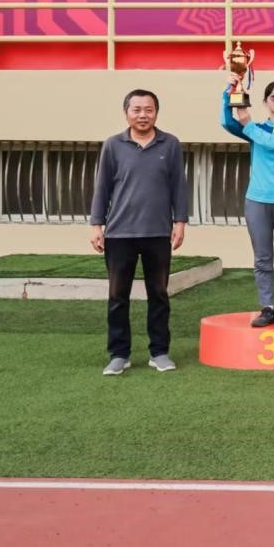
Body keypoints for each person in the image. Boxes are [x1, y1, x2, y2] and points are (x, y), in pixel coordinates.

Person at [89, 89, 189, 376]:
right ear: (126, 113)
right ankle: (119, 354)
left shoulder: (170, 144)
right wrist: (96, 225)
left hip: (158, 233)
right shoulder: (113, 145)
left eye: (148, 109)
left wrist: (180, 222)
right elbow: (102, 187)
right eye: (137, 110)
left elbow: (178, 186)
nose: (143, 115)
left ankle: (159, 352)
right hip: (119, 234)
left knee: (158, 294)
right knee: (117, 297)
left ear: (156, 112)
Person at [221, 80, 274, 328]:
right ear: (265, 101)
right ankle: (267, 307)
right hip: (256, 201)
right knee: (262, 258)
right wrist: (230, 92)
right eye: (273, 96)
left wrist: (247, 123)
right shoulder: (255, 129)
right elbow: (227, 122)